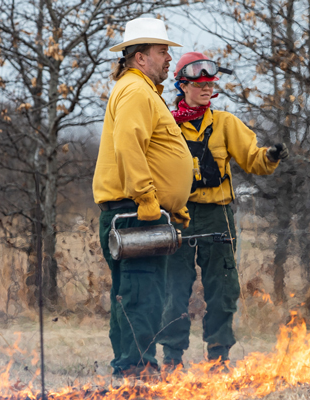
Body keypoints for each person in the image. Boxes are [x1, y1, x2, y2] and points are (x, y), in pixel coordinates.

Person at [158, 52, 289, 371]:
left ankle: (218, 357)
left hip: (217, 216)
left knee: (222, 288)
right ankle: (172, 359)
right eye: (200, 84)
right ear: (182, 86)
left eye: (210, 84)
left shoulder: (226, 124)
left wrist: (270, 156)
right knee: (173, 289)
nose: (207, 89)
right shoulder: (166, 125)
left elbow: (253, 159)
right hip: (177, 216)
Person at [93, 17, 193, 379]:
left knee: (131, 295)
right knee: (142, 296)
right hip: (137, 214)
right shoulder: (135, 91)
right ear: (139, 58)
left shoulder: (139, 90)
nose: (169, 58)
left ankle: (130, 368)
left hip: (138, 213)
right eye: (162, 51)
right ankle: (137, 373)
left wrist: (173, 207)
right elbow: (128, 147)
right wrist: (149, 201)